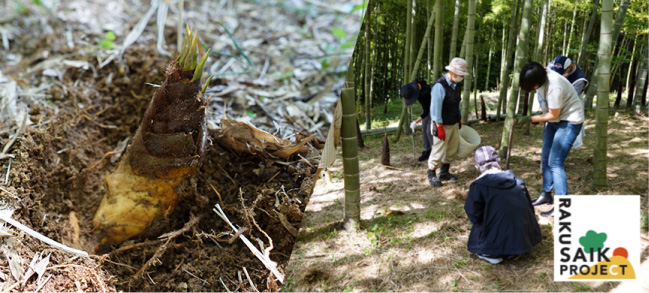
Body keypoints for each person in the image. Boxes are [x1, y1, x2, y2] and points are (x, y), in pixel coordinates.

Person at [517, 62, 585, 217]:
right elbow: (546, 106)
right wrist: (535, 114)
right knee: (545, 157)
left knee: (555, 162)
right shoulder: (541, 76)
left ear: (539, 80)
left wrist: (530, 119)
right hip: (555, 120)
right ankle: (546, 194)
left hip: (569, 120)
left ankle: (562, 207)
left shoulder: (555, 85)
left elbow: (553, 115)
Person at [464, 145, 542, 264]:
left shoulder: (478, 186)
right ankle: (515, 247)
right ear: (499, 161)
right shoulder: (517, 181)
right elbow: (529, 208)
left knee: (479, 221)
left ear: (477, 167)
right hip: (524, 239)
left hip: (496, 237)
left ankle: (490, 252)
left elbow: (473, 213)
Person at [427, 57, 467, 187]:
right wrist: (439, 127)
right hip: (442, 124)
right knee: (438, 150)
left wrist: (458, 118)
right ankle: (431, 173)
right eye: (461, 74)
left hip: (453, 122)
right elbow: (435, 108)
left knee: (451, 149)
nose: (462, 76)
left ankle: (444, 172)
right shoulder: (439, 86)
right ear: (453, 72)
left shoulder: (456, 86)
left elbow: (457, 104)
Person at [400, 80, 433, 161]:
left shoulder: (425, 93)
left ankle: (435, 152)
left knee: (429, 131)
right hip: (427, 109)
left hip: (434, 110)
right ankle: (427, 150)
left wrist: (415, 122)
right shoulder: (415, 86)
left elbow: (426, 111)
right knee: (424, 129)